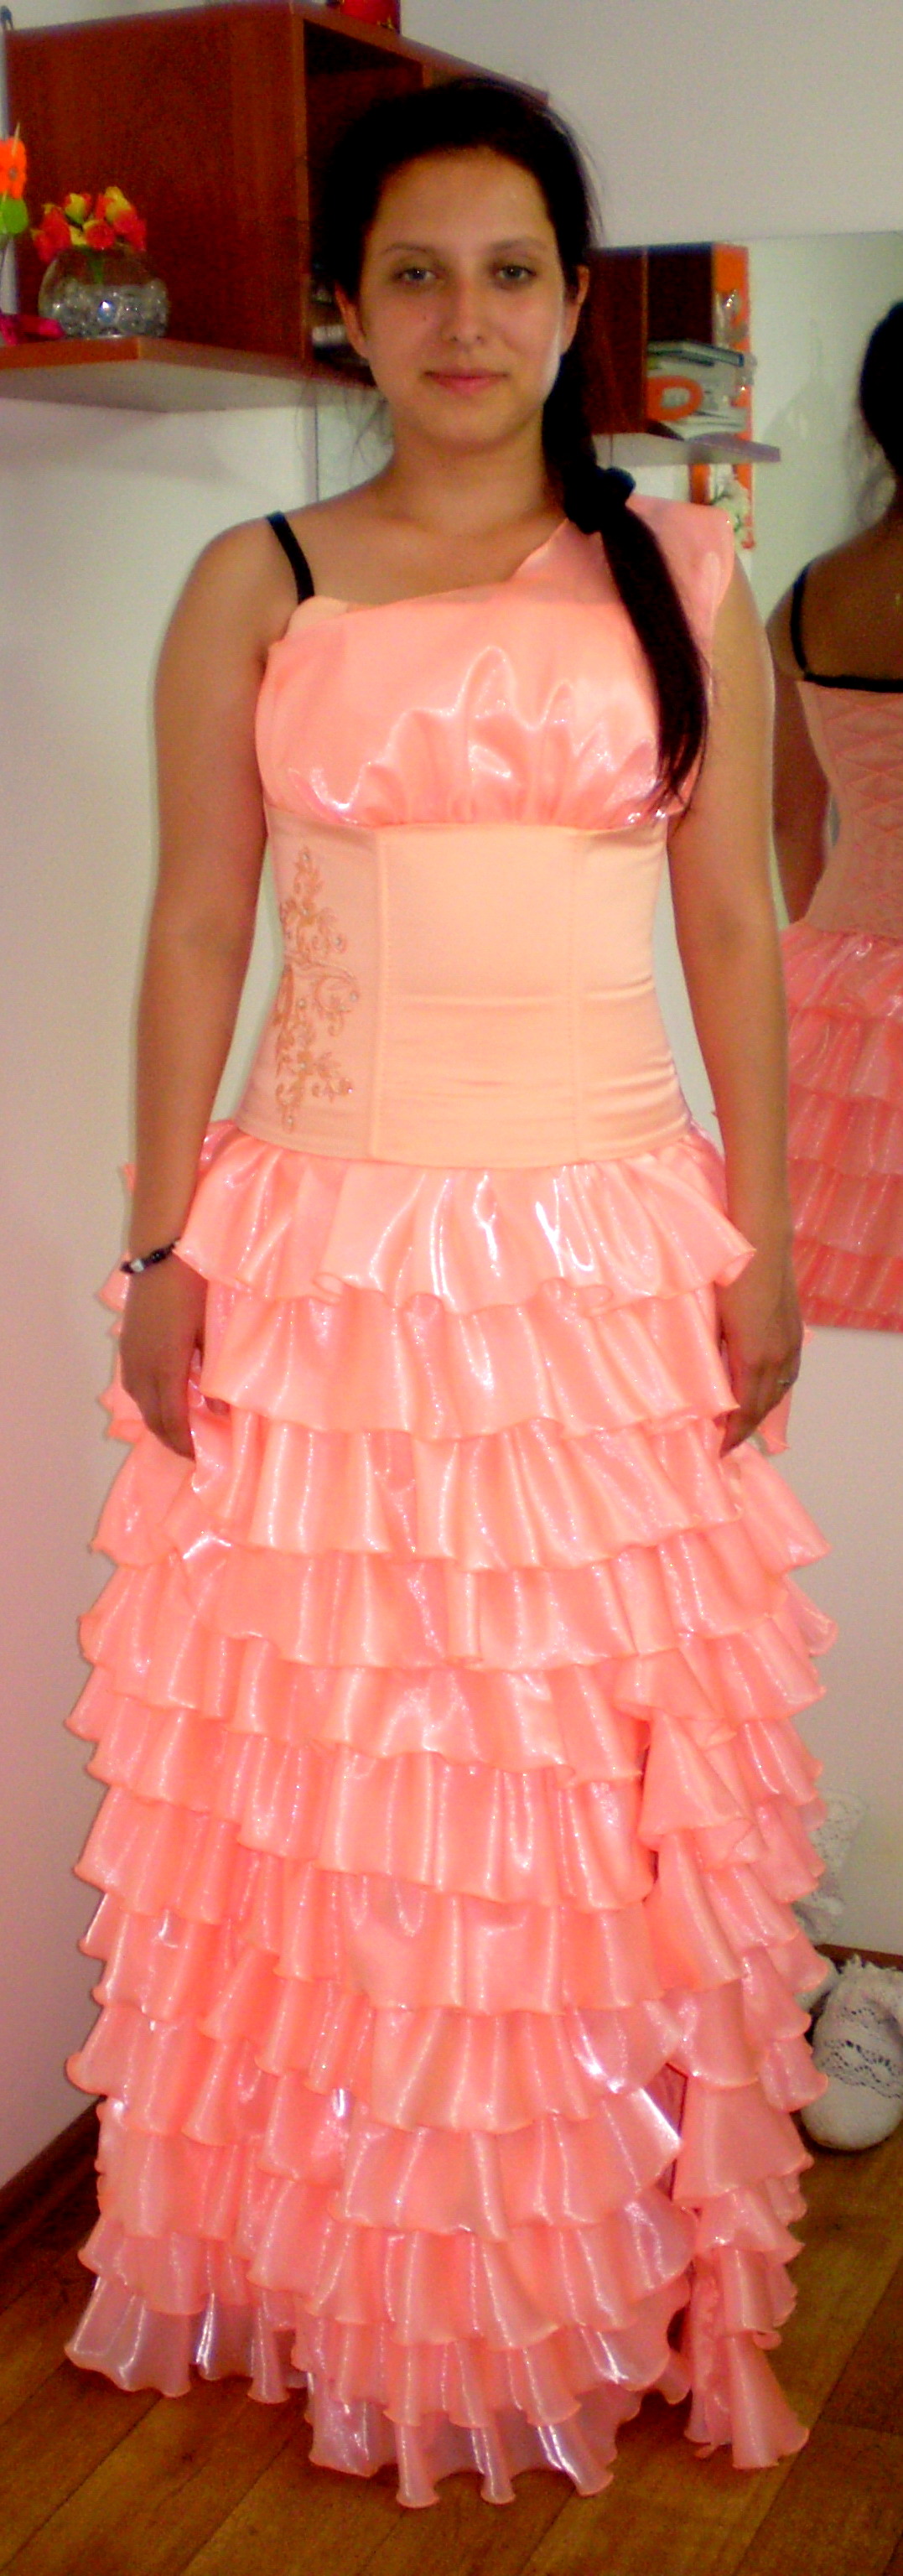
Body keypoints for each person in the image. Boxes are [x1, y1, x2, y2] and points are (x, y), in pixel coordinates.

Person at [65, 75, 832, 2510]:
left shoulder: (676, 570)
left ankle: (575, 2264)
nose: (462, 318)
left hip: (601, 1253)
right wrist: (160, 1242)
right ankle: (351, 2268)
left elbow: (732, 932)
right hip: (327, 1253)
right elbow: (198, 926)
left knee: (579, 1785)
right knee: (350, 1786)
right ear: (340, 309)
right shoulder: (256, 577)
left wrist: (761, 1241)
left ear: (573, 301)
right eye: (413, 274)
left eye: (508, 271)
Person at [768, 299, 903, 1332]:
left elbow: (790, 824)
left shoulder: (811, 597)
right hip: (850, 971)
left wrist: (847, 969)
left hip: (847, 976)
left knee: (843, 1293)